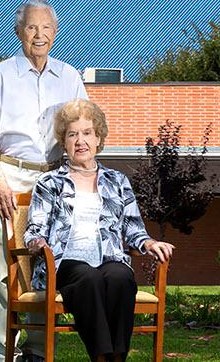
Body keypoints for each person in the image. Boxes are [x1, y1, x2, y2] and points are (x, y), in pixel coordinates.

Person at [0, 0, 88, 362]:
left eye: (46, 28)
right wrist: (0, 182)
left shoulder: (70, 77)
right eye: (32, 28)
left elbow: (84, 130)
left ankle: (36, 350)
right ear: (20, 33)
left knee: (44, 269)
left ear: (55, 33)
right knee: (2, 271)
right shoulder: (0, 75)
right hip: (9, 175)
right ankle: (1, 352)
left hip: (52, 180)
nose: (40, 35)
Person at [23, 99, 175, 362]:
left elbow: (133, 229)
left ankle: (116, 359)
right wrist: (36, 242)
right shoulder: (49, 182)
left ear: (98, 139)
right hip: (64, 263)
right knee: (88, 278)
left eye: (87, 133)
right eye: (72, 134)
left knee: (120, 277)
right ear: (64, 141)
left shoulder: (117, 181)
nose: (80, 141)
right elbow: (34, 228)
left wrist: (149, 244)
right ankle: (102, 358)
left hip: (108, 258)